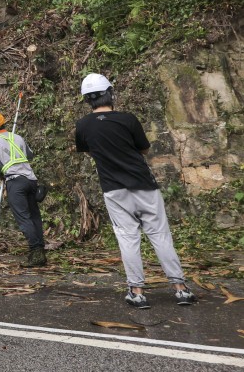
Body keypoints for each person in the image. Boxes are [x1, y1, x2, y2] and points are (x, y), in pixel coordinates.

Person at [75, 73, 196, 309]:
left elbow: (90, 151)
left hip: (114, 190)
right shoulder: (128, 120)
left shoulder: (82, 126)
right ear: (110, 93)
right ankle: (180, 289)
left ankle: (137, 292)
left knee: (127, 239)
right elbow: (143, 149)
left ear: (87, 100)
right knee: (160, 235)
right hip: (144, 186)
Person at [0, 109, 46, 267]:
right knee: (34, 216)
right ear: (4, 121)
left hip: (15, 182)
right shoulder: (17, 137)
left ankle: (36, 252)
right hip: (31, 180)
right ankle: (40, 249)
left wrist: (1, 175)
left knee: (24, 218)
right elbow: (30, 155)